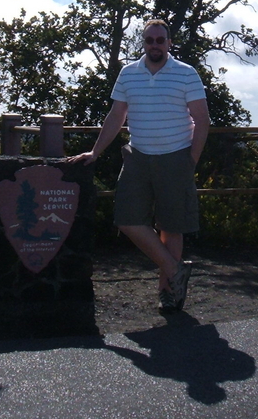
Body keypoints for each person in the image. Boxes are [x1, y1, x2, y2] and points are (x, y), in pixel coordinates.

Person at [69, 19, 210, 313]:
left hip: (176, 156)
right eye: (150, 40)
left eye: (160, 40)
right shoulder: (128, 74)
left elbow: (202, 120)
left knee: (171, 227)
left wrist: (190, 162)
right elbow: (116, 116)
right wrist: (95, 152)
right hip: (138, 156)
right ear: (143, 43)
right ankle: (175, 269)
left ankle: (168, 294)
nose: (155, 45)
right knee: (127, 219)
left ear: (169, 43)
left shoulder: (186, 74)